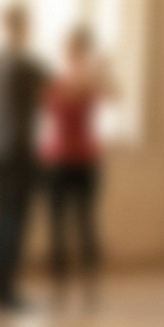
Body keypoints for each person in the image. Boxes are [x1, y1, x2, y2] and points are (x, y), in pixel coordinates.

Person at [0, 3, 49, 310]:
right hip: (17, 151)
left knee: (0, 219)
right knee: (13, 221)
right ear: (23, 27)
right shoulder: (25, 66)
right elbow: (51, 92)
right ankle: (5, 290)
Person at [41, 24, 116, 298]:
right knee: (57, 223)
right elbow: (68, 97)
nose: (72, 52)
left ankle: (89, 280)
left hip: (86, 157)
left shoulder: (90, 79)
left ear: (84, 49)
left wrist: (101, 71)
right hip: (58, 157)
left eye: (78, 47)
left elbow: (116, 94)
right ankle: (58, 281)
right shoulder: (58, 80)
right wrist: (94, 72)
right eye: (71, 47)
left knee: (86, 221)